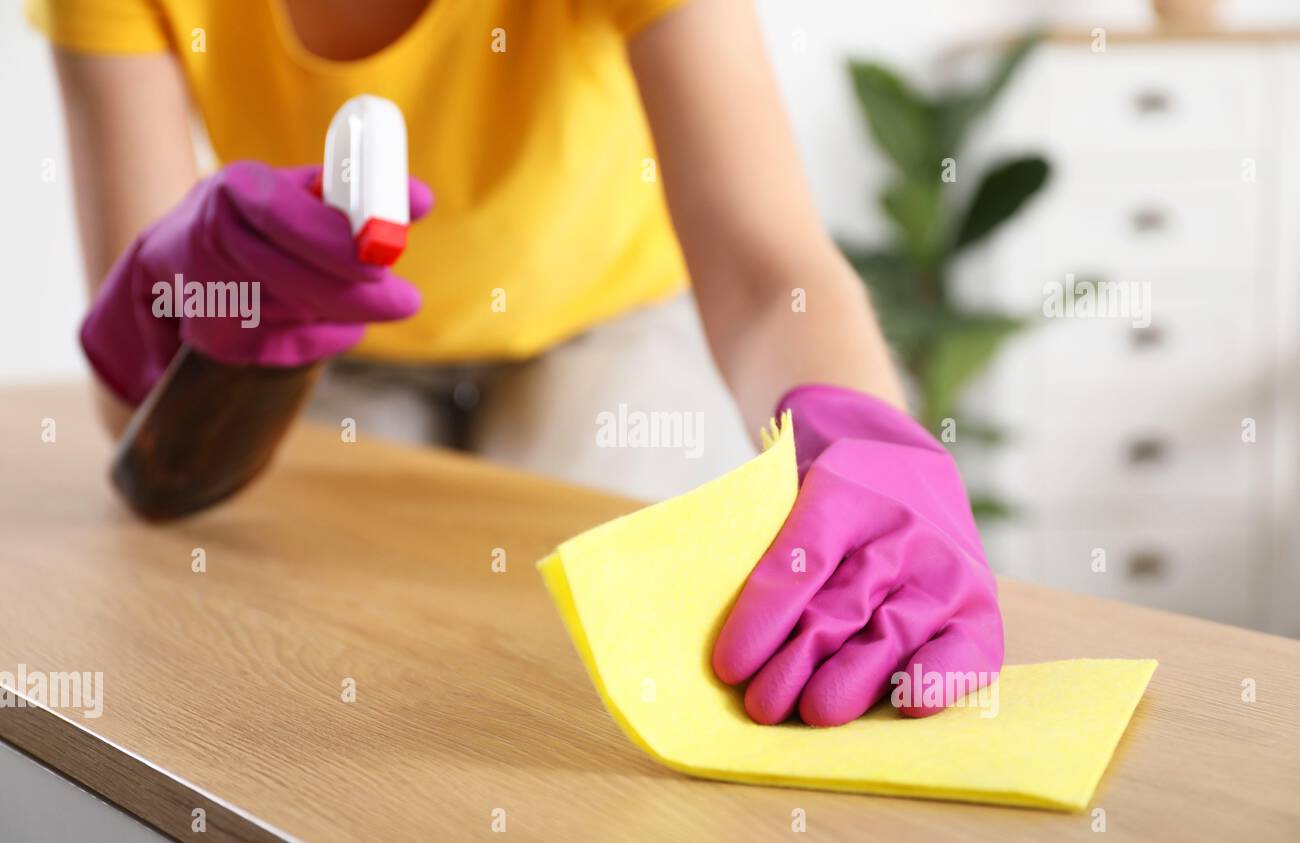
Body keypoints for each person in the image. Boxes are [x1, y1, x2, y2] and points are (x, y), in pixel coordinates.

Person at [30, 0, 1002, 726]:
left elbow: (764, 268)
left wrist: (866, 432)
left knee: (592, 655)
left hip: (604, 323)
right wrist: (205, 310)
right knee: (306, 649)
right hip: (339, 350)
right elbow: (143, 434)